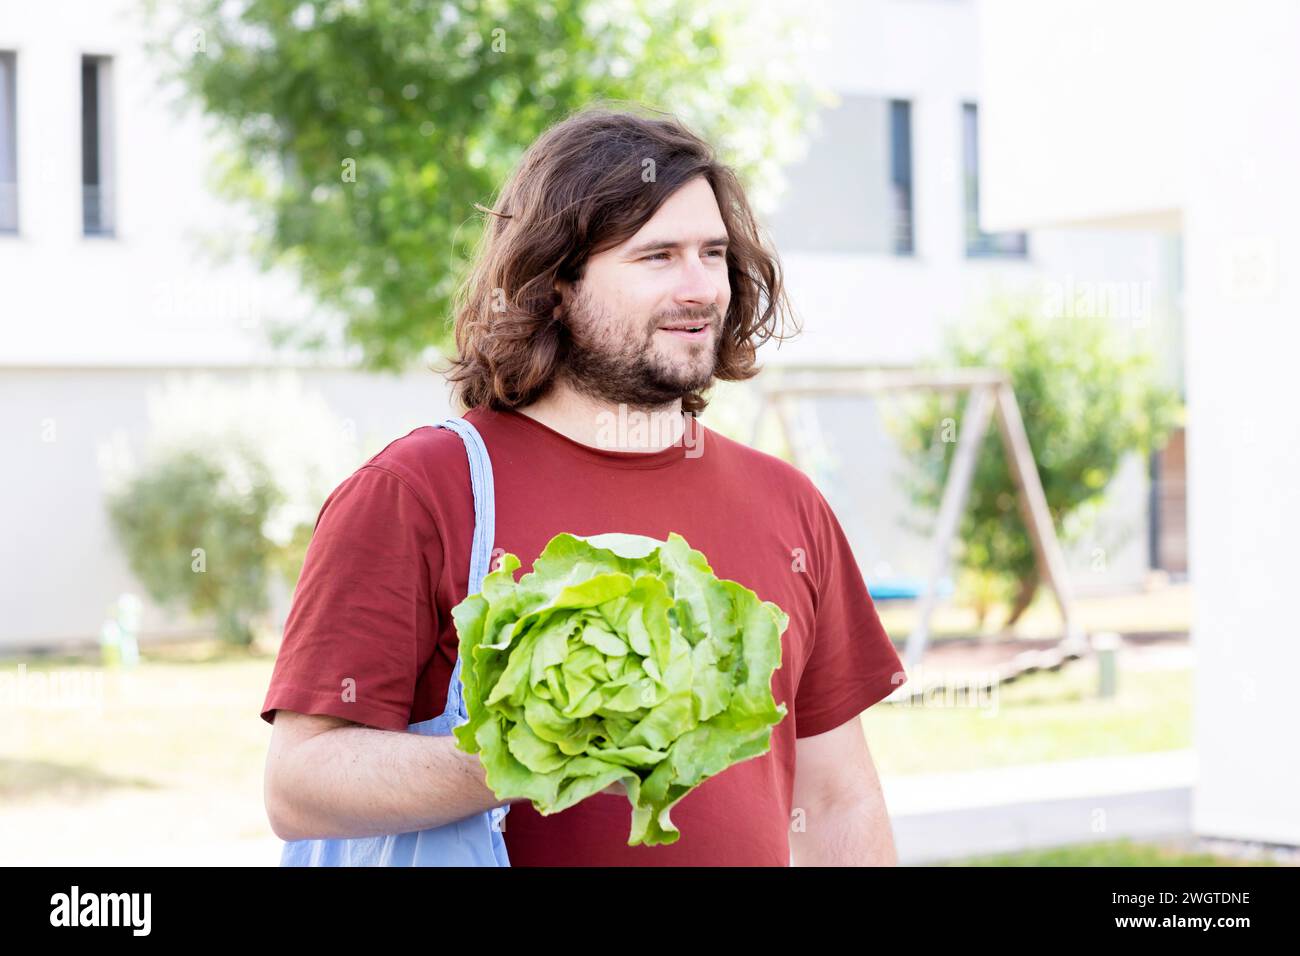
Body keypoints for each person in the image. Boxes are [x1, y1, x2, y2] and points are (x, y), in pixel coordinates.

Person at [261, 104, 908, 866]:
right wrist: (522, 753)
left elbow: (838, 799)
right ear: (556, 283)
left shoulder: (788, 504)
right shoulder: (419, 491)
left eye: (712, 253)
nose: (701, 287)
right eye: (657, 256)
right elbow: (297, 784)